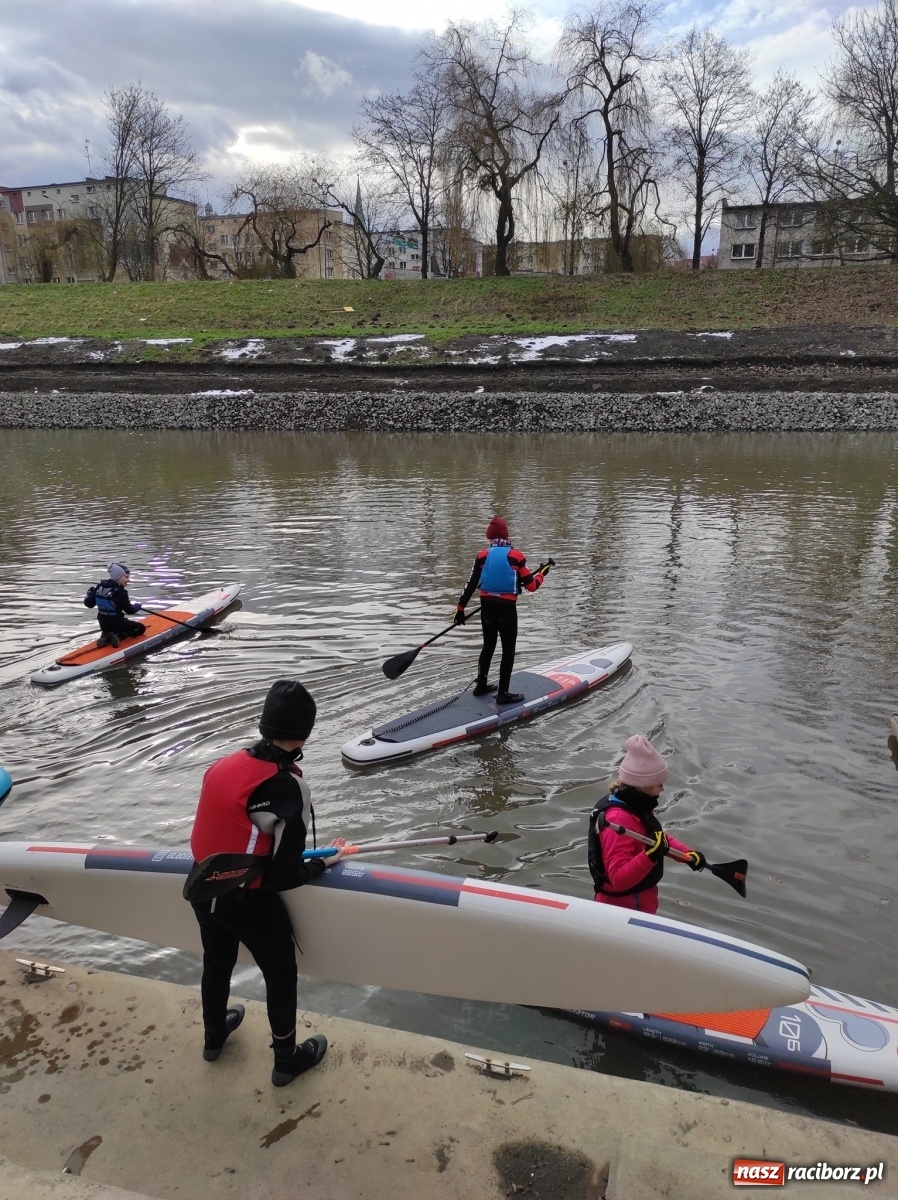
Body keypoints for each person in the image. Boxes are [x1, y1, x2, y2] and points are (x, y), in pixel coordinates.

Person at [186, 679, 345, 1086]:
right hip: (248, 901)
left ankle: (214, 1036)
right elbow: (284, 874)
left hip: (203, 886)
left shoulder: (223, 764)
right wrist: (329, 860)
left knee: (216, 961)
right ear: (306, 733)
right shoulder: (288, 786)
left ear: (264, 724)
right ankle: (286, 1061)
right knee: (281, 973)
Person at [587, 734, 706, 914]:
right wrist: (649, 856)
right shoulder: (618, 818)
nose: (663, 789)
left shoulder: (637, 805)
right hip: (620, 911)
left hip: (640, 904)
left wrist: (686, 855)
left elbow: (654, 839)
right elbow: (618, 879)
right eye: (659, 784)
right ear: (643, 785)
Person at [454, 516, 547, 706]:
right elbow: (531, 586)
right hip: (506, 609)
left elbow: (471, 583)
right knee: (508, 650)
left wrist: (460, 608)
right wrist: (541, 576)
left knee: (488, 646)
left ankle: (481, 685)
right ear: (506, 535)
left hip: (487, 607)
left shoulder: (482, 555)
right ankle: (503, 694)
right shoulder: (516, 556)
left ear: (490, 537)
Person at [83, 562, 146, 648]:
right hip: (117, 624)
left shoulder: (100, 587)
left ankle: (106, 634)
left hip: (103, 624)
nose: (129, 580)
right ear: (118, 577)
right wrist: (138, 606)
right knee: (141, 628)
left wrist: (92, 592)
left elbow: (88, 604)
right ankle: (119, 635)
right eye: (126, 577)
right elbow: (130, 610)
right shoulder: (121, 592)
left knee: (116, 621)